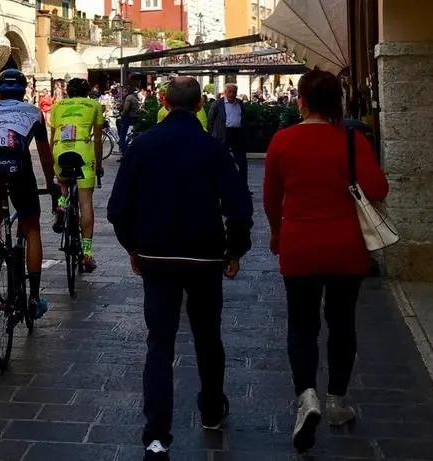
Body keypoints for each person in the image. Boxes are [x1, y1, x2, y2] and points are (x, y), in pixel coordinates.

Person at [107, 77, 253, 461]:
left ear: (164, 102)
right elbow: (239, 205)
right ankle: (211, 408)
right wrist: (234, 249)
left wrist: (134, 248)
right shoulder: (212, 148)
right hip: (204, 256)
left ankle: (157, 436)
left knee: (159, 343)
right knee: (208, 336)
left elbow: (118, 208)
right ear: (200, 104)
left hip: (157, 257)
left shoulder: (143, 145)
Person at [263, 70, 389, 453]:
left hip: (299, 244)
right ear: (338, 102)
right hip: (345, 246)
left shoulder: (283, 140)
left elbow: (271, 198)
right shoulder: (352, 140)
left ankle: (307, 397)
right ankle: (337, 400)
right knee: (341, 322)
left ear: (301, 101)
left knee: (301, 324)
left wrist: (276, 234)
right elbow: (378, 188)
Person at [0, 68, 56, 318]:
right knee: (32, 228)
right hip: (20, 171)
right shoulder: (34, 112)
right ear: (24, 91)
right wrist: (51, 183)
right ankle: (33, 297)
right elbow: (44, 154)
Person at [50, 78, 104, 272]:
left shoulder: (58, 106)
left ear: (68, 92)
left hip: (60, 150)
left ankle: (61, 204)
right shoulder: (94, 105)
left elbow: (52, 136)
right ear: (87, 92)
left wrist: (52, 161)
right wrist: (99, 165)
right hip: (83, 150)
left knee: (63, 182)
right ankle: (87, 254)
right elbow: (98, 139)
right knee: (85, 203)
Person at [208, 83, 248, 190]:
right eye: (229, 92)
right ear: (225, 92)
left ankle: (243, 186)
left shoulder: (239, 103)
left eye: (234, 92)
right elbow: (211, 120)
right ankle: (219, 186)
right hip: (223, 134)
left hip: (237, 133)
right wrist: (213, 134)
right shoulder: (217, 104)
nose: (232, 94)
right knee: (221, 160)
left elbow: (243, 118)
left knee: (241, 160)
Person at [117, 83, 140, 156]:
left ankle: (122, 145)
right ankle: (122, 141)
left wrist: (121, 114)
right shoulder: (133, 96)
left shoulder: (129, 97)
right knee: (119, 122)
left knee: (121, 129)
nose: (124, 91)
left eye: (125, 90)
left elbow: (126, 109)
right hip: (134, 117)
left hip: (129, 118)